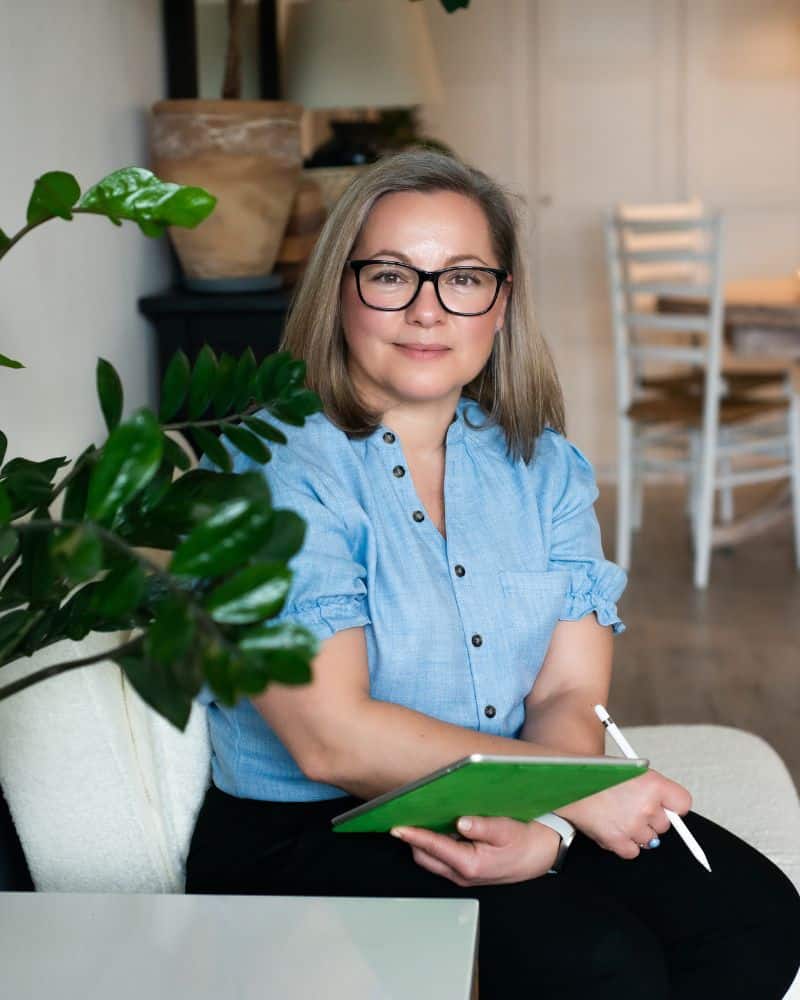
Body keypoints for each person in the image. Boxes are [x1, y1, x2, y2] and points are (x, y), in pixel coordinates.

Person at [186, 149, 800, 998]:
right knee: (598, 963)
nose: (429, 310)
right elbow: (331, 736)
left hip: (517, 783)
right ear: (339, 290)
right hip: (311, 830)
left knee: (754, 920)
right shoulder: (276, 465)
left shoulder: (544, 466)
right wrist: (584, 799)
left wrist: (545, 819)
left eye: (464, 279)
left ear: (500, 302)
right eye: (392, 275)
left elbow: (564, 695)